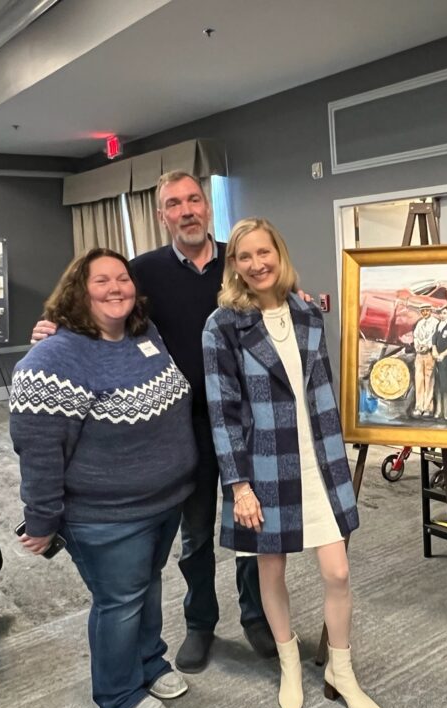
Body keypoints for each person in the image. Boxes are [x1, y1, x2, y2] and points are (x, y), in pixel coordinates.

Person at [34, 171, 275, 671]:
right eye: (173, 204)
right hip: (182, 429)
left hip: (247, 422)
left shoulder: (239, 261)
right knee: (197, 536)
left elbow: (277, 302)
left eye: (193, 200)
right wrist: (56, 329)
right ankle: (201, 622)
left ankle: (256, 616)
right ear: (161, 215)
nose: (186, 210)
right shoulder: (142, 271)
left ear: (206, 206)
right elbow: (104, 308)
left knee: (252, 528)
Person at [203, 217, 382, 708]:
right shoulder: (222, 326)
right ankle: (287, 665)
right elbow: (222, 410)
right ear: (233, 266)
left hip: (319, 458)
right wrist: (239, 484)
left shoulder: (306, 312)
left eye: (265, 253)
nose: (257, 264)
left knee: (338, 570)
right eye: (245, 257)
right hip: (263, 465)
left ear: (279, 255)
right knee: (271, 568)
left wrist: (342, 457)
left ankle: (340, 672)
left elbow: (322, 390)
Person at [11, 248, 198, 708]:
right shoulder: (52, 358)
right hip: (105, 515)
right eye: (101, 281)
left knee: (147, 588)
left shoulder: (144, 335)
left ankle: (149, 662)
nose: (116, 288)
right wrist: (42, 519)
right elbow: (40, 451)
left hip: (163, 501)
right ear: (79, 290)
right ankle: (117, 694)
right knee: (119, 602)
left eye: (123, 278)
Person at [411, 304, 437, 417]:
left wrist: (427, 346)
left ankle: (427, 408)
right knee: (419, 380)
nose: (424, 313)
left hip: (429, 354)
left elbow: (434, 337)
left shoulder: (435, 323)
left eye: (426, 310)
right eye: (422, 311)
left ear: (430, 311)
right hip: (419, 354)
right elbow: (415, 336)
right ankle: (418, 406)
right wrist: (418, 347)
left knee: (429, 379)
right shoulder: (419, 323)